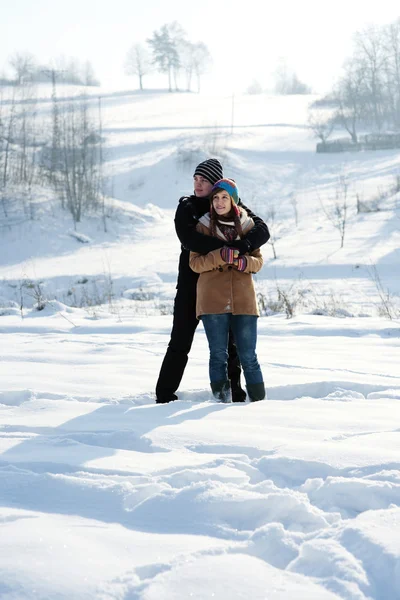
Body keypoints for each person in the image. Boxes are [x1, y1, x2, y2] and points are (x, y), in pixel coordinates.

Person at [155, 158, 270, 404]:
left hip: (222, 290)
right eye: (195, 179)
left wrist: (244, 245)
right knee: (180, 341)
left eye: (204, 180)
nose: (198, 184)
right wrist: (228, 249)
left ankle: (235, 394)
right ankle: (164, 395)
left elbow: (262, 230)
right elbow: (191, 240)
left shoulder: (228, 204)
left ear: (217, 184)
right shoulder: (187, 207)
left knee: (230, 347)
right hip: (191, 286)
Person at [189, 178, 265, 402]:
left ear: (233, 200)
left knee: (249, 356)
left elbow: (258, 262)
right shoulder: (202, 226)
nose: (219, 202)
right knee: (218, 355)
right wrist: (219, 256)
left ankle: (261, 406)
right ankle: (219, 405)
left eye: (224, 197)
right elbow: (195, 263)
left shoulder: (248, 226)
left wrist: (244, 262)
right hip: (212, 299)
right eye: (215, 198)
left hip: (244, 299)